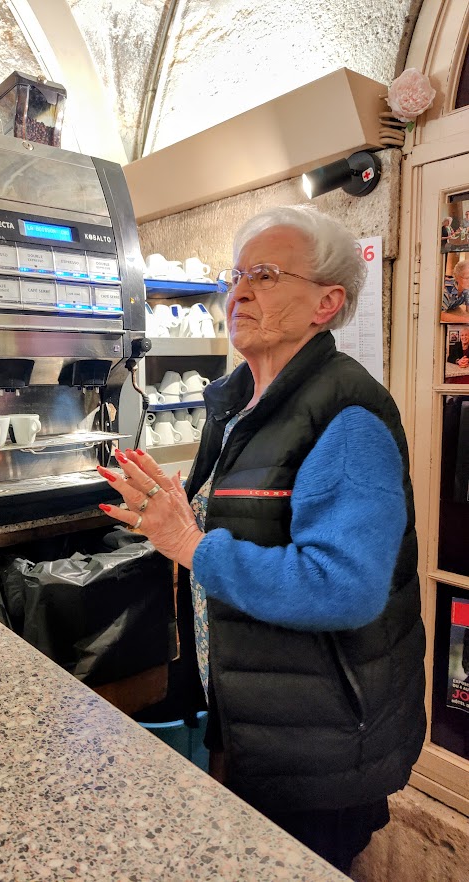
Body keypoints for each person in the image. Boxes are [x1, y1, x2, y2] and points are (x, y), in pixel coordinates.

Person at [96, 205, 426, 875]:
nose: (239, 293)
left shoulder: (348, 414)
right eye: (236, 276)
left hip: (322, 744)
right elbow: (243, 525)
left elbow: (345, 588)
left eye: (266, 275)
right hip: (253, 716)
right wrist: (177, 515)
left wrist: (192, 544)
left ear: (327, 304)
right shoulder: (240, 403)